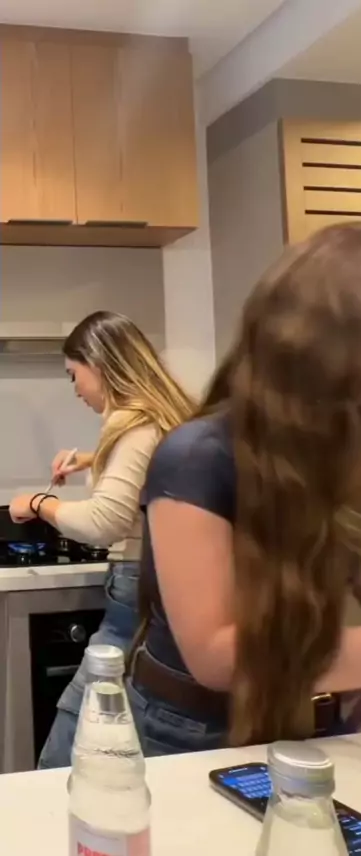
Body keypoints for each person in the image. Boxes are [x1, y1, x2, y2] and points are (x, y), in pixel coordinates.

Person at [121, 221, 361, 756]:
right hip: (194, 732)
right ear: (317, 351)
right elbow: (216, 656)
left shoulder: (336, 445)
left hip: (301, 714)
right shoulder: (197, 455)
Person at [9, 311, 192, 768]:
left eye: (74, 375)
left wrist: (37, 504)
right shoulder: (164, 418)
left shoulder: (132, 423)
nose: (75, 389)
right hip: (164, 595)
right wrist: (94, 459)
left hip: (134, 600)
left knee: (64, 755)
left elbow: (103, 522)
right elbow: (151, 465)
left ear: (98, 363)